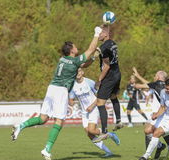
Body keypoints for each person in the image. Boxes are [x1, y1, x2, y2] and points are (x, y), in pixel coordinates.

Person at [11, 26, 103, 160]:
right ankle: (47, 149)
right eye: (75, 47)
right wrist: (96, 34)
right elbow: (89, 50)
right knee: (59, 121)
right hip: (61, 91)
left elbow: (83, 64)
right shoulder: (74, 61)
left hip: (51, 88)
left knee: (43, 119)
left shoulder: (63, 60)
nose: (77, 48)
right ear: (72, 50)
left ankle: (21, 125)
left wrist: (93, 58)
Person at [69, 68, 119, 158]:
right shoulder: (72, 85)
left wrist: (92, 106)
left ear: (82, 72)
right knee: (89, 134)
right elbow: (71, 100)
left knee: (91, 130)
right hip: (84, 112)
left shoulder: (89, 82)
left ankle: (110, 134)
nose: (77, 73)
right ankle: (108, 152)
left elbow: (100, 96)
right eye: (76, 71)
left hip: (94, 109)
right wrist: (69, 101)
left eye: (79, 71)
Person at [139, 77, 169, 160]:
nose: (166, 90)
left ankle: (145, 156)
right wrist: (157, 115)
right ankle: (161, 146)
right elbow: (163, 107)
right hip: (165, 115)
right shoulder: (163, 92)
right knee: (147, 131)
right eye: (165, 88)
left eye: (168, 89)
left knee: (157, 133)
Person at [133, 67, 169, 160]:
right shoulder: (165, 85)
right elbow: (148, 83)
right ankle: (167, 146)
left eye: (155, 75)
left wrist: (134, 84)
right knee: (161, 131)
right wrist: (138, 75)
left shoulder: (156, 84)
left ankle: (150, 154)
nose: (154, 76)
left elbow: (140, 86)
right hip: (166, 113)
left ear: (159, 76)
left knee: (149, 131)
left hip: (159, 113)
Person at [93, 25, 123, 143]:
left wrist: (99, 79)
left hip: (109, 76)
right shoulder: (113, 43)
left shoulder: (104, 47)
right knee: (113, 97)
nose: (98, 35)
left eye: (99, 33)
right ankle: (119, 121)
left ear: (105, 34)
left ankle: (104, 132)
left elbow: (106, 66)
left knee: (100, 103)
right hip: (117, 74)